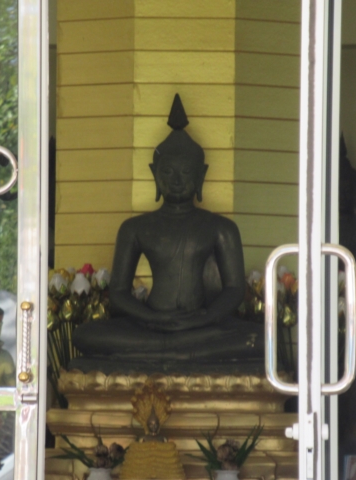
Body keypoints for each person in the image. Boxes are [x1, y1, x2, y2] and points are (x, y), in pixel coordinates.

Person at [72, 95, 263, 365]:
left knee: (262, 339)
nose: (176, 180)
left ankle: (166, 353)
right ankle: (181, 353)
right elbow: (119, 293)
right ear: (155, 174)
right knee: (84, 335)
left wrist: (204, 318)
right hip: (151, 325)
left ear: (201, 175)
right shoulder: (134, 228)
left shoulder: (221, 228)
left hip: (201, 326)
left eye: (185, 173)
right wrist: (152, 318)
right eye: (169, 172)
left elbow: (234, 289)